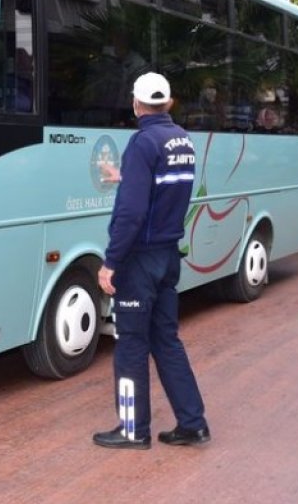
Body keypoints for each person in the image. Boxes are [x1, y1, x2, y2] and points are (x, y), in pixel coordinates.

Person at [92, 71, 210, 451]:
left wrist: (111, 262)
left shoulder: (143, 142)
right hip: (167, 256)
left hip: (139, 261)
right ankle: (193, 424)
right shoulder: (182, 140)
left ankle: (132, 429)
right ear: (169, 104)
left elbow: (131, 214)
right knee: (167, 341)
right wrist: (126, 178)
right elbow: (162, 188)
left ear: (135, 104)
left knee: (130, 344)